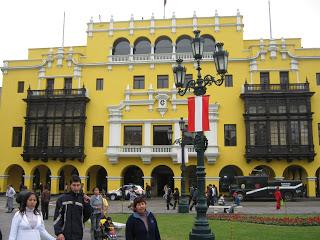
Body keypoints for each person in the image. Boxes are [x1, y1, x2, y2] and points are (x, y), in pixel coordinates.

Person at [54, 175, 93, 240]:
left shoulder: (83, 199)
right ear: (70, 185)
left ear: (81, 186)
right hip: (64, 235)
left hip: (78, 234)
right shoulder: (62, 199)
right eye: (74, 185)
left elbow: (87, 215)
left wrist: (87, 204)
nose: (76, 187)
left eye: (78, 185)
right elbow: (57, 217)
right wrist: (59, 233)